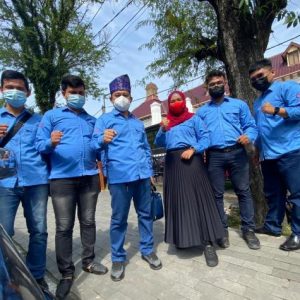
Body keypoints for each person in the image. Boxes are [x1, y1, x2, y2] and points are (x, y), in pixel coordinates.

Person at [35, 75, 107, 299]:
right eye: (73, 92)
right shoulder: (51, 116)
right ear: (64, 94)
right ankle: (66, 274)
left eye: (81, 92)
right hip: (62, 179)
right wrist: (50, 142)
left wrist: (103, 144)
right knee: (64, 227)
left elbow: (97, 148)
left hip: (89, 177)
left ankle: (88, 262)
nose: (77, 96)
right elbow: (39, 145)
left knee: (88, 222)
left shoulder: (92, 120)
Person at [91, 74, 162, 282]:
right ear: (111, 97)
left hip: (141, 176)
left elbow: (145, 148)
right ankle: (118, 258)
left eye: (125, 94)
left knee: (145, 214)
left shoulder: (138, 123)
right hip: (119, 178)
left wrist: (149, 173)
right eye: (117, 94)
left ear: (131, 97)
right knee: (118, 219)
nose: (122, 97)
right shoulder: (104, 120)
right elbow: (93, 147)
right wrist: (102, 140)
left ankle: (147, 249)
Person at [155, 90, 224, 267]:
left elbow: (206, 138)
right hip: (171, 164)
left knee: (199, 199)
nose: (176, 103)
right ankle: (183, 238)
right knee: (178, 201)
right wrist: (162, 129)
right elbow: (159, 142)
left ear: (183, 102)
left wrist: (193, 149)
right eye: (172, 101)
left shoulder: (194, 118)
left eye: (179, 100)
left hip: (191, 159)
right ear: (168, 105)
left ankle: (208, 243)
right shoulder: (167, 122)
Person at [197, 70, 261, 250]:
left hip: (237, 152)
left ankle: (248, 230)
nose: (216, 86)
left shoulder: (238, 105)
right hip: (214, 155)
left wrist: (248, 136)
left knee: (243, 191)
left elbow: (250, 125)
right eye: (212, 84)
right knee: (216, 194)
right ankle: (221, 230)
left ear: (225, 83)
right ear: (207, 88)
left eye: (219, 82)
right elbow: (198, 135)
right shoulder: (201, 112)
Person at [0, 70, 49, 291]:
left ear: (28, 93)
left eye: (20, 88)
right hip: (5, 184)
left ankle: (36, 276)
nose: (15, 92)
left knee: (38, 231)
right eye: (10, 87)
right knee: (5, 234)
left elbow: (46, 149)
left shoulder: (39, 121)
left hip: (36, 182)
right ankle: (8, 279)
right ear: (2, 90)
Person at [249, 58, 300, 251]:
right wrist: (257, 150)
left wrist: (278, 110)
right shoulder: (257, 102)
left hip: (291, 151)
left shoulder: (287, 88)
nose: (257, 80)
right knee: (273, 194)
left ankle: (297, 234)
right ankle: (272, 226)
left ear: (272, 73)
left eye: (260, 76)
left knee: (297, 195)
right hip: (268, 156)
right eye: (253, 79)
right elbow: (262, 130)